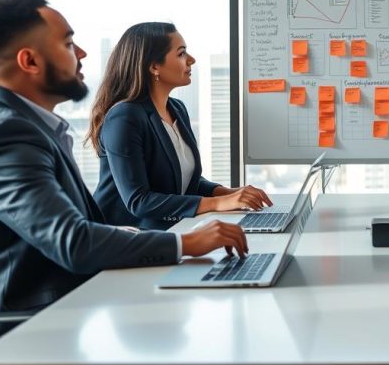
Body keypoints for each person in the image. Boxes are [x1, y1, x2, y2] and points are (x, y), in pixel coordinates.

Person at [0, 0, 248, 348]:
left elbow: (78, 230)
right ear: (30, 61)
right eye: (69, 43)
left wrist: (145, 236)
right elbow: (73, 242)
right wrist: (186, 242)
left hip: (79, 298)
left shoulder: (27, 127)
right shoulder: (5, 138)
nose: (83, 54)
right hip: (39, 328)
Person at [88, 22, 272, 230]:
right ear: (154, 66)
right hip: (125, 241)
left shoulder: (177, 109)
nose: (192, 60)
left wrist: (228, 193)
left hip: (170, 231)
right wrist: (219, 203)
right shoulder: (124, 117)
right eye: (181, 54)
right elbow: (138, 201)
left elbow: (182, 182)